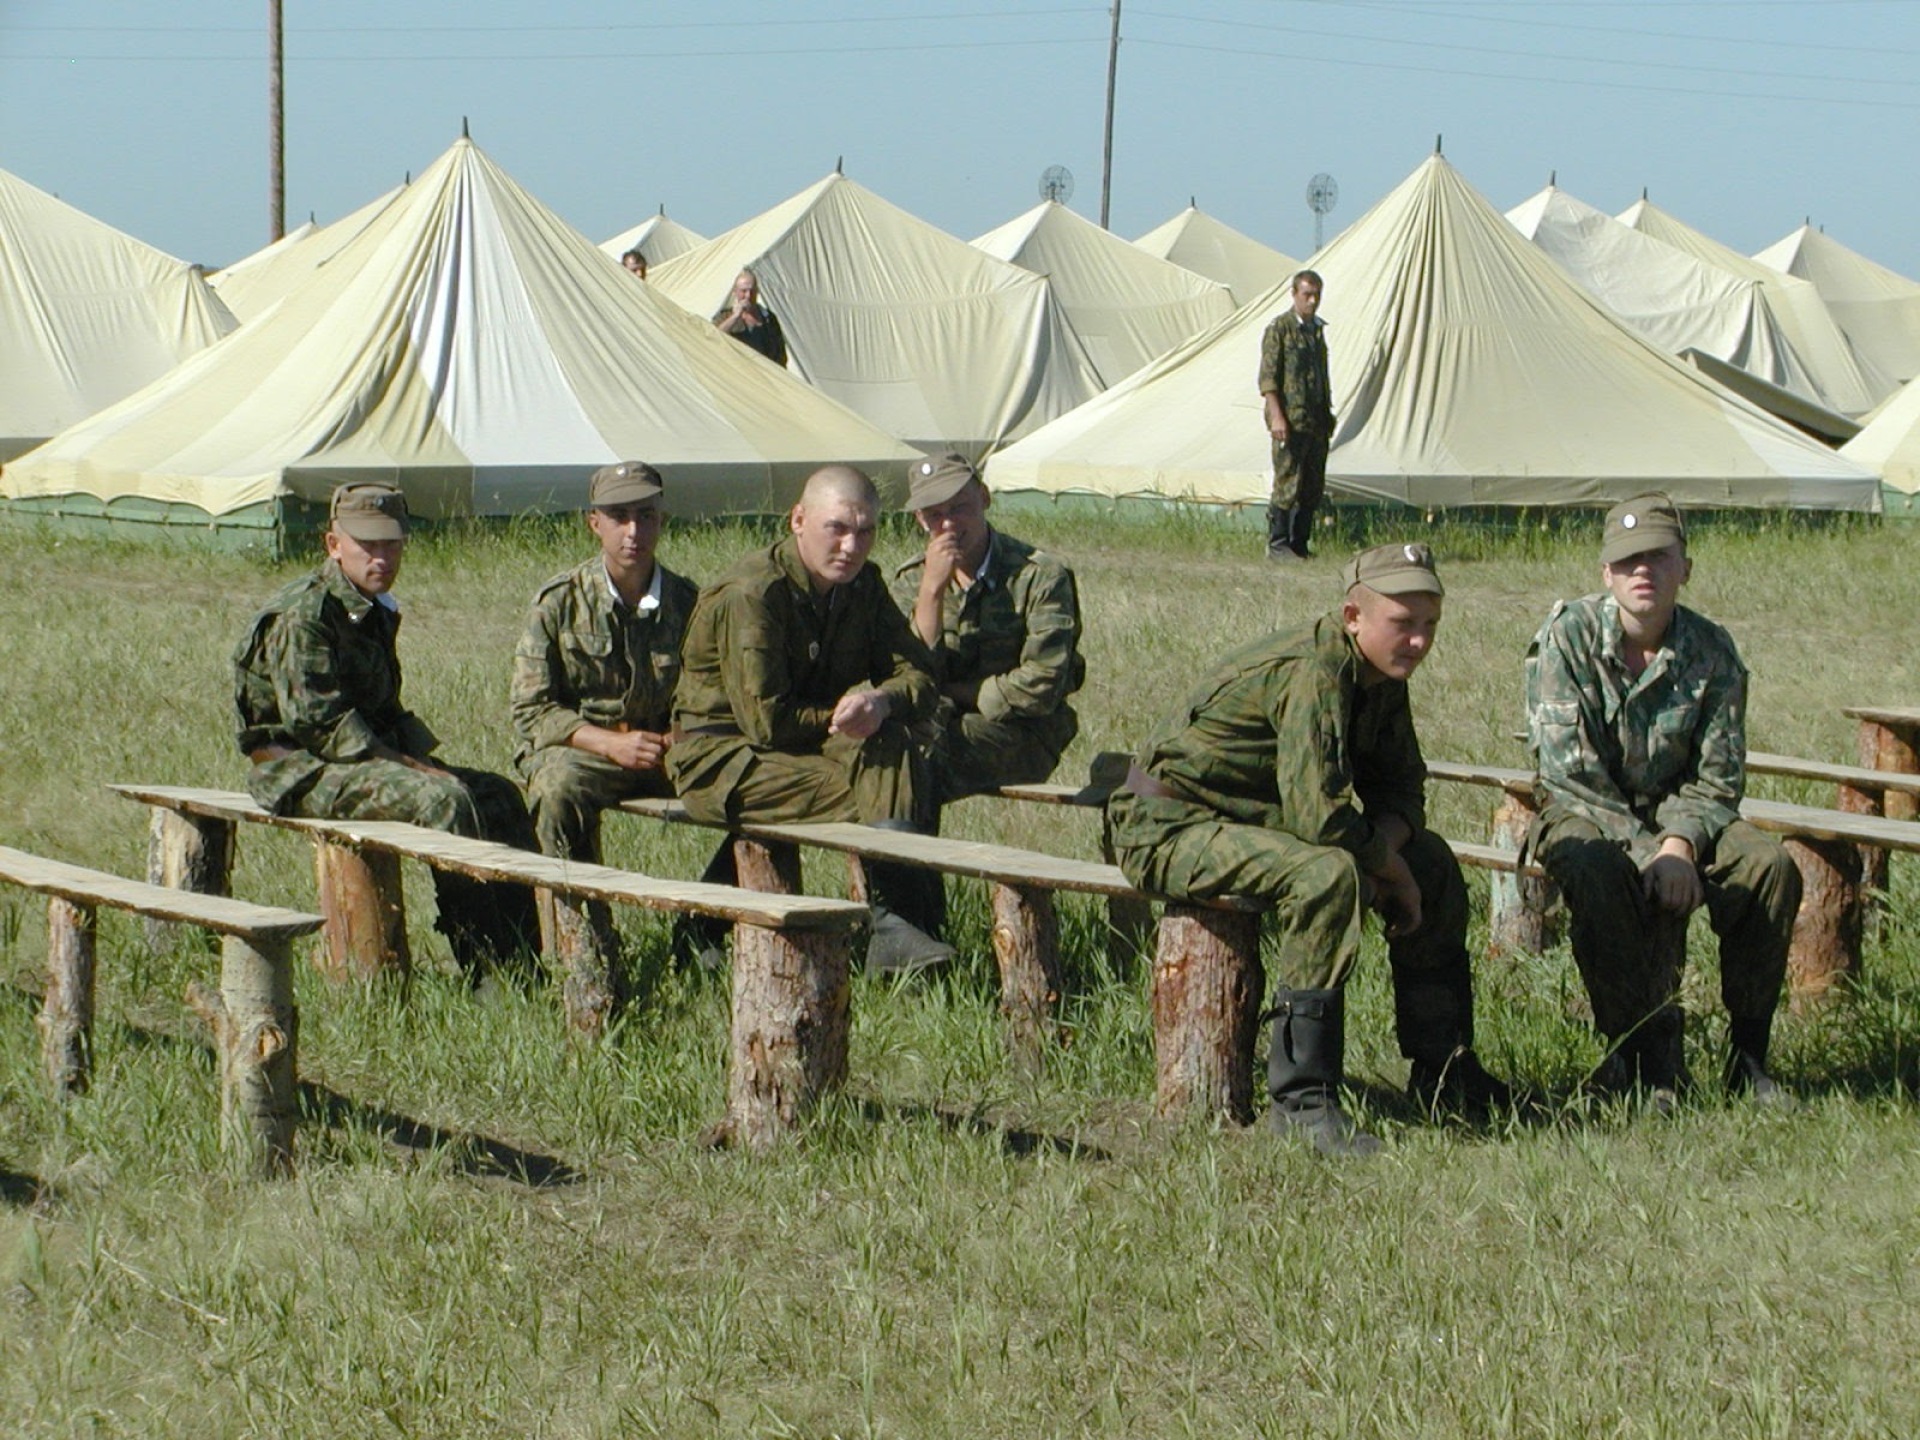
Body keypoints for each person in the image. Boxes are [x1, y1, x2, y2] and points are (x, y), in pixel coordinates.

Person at [1108, 543, 1510, 1156]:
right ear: (1353, 616)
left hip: (1249, 825)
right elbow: (1319, 818)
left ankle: (1445, 1070)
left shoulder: (1379, 674)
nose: (1419, 641)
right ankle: (1301, 1099)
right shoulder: (1314, 672)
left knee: (1432, 863)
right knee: (1326, 876)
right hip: (1167, 826)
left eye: (1431, 624)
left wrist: (1396, 858)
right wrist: (1387, 868)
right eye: (1403, 623)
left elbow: (1401, 787)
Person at [1525, 495, 1800, 1110]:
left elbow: (1718, 777)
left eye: (1658, 557)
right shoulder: (1567, 637)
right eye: (1627, 561)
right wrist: (1651, 854)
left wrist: (1679, 845)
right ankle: (1634, 1055)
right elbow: (1571, 773)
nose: (1642, 570)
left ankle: (1748, 1058)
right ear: (1606, 574)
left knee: (1768, 867)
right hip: (1584, 811)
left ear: (1685, 569)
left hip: (1685, 819)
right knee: (1600, 871)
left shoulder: (1712, 650)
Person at [233, 482, 538, 976]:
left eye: (392, 544)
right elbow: (320, 725)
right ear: (334, 545)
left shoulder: (370, 606)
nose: (382, 557)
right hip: (299, 770)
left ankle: (523, 959)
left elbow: (384, 710)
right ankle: (483, 966)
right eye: (367, 544)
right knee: (444, 801)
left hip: (358, 759)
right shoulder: (304, 614)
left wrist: (422, 760)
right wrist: (412, 768)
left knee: (497, 795)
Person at [666, 464, 950, 972]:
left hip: (799, 745)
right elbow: (766, 722)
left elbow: (919, 674)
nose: (851, 546)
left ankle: (903, 931)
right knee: (878, 788)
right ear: (798, 519)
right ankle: (896, 926)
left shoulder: (862, 587)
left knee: (894, 749)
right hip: (720, 757)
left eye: (866, 531)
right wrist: (841, 719)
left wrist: (880, 703)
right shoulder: (755, 594)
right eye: (836, 528)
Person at [510, 461, 720, 965]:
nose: (633, 531)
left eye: (645, 516)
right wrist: (608, 742)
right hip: (588, 751)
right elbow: (531, 710)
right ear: (594, 523)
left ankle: (708, 930)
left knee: (752, 783)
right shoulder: (560, 603)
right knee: (557, 787)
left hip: (669, 752)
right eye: (619, 517)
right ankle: (584, 946)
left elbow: (714, 697)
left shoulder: (690, 603)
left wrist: (677, 737)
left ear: (662, 520)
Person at [894, 451, 1085, 806]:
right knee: (890, 752)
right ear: (920, 519)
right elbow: (911, 677)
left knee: (921, 760)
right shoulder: (914, 580)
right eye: (934, 514)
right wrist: (932, 592)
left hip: (1025, 731)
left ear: (984, 498)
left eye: (959, 508)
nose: (948, 525)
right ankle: (897, 844)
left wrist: (957, 692)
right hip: (940, 723)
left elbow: (1042, 685)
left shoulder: (1038, 576)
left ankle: (900, 842)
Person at [1256, 269, 1334, 562]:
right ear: (1294, 294)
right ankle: (1278, 543)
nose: (1312, 301)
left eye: (1316, 295)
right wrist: (1277, 416)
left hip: (1315, 420)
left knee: (1312, 484)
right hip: (1289, 419)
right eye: (1307, 295)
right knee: (1287, 479)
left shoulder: (1316, 331)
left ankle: (1299, 543)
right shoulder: (1280, 329)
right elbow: (1268, 379)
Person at [712, 268, 788, 366]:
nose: (748, 295)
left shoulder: (769, 319)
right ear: (735, 292)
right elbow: (713, 336)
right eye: (743, 291)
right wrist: (735, 317)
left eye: (752, 291)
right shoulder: (724, 317)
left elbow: (781, 353)